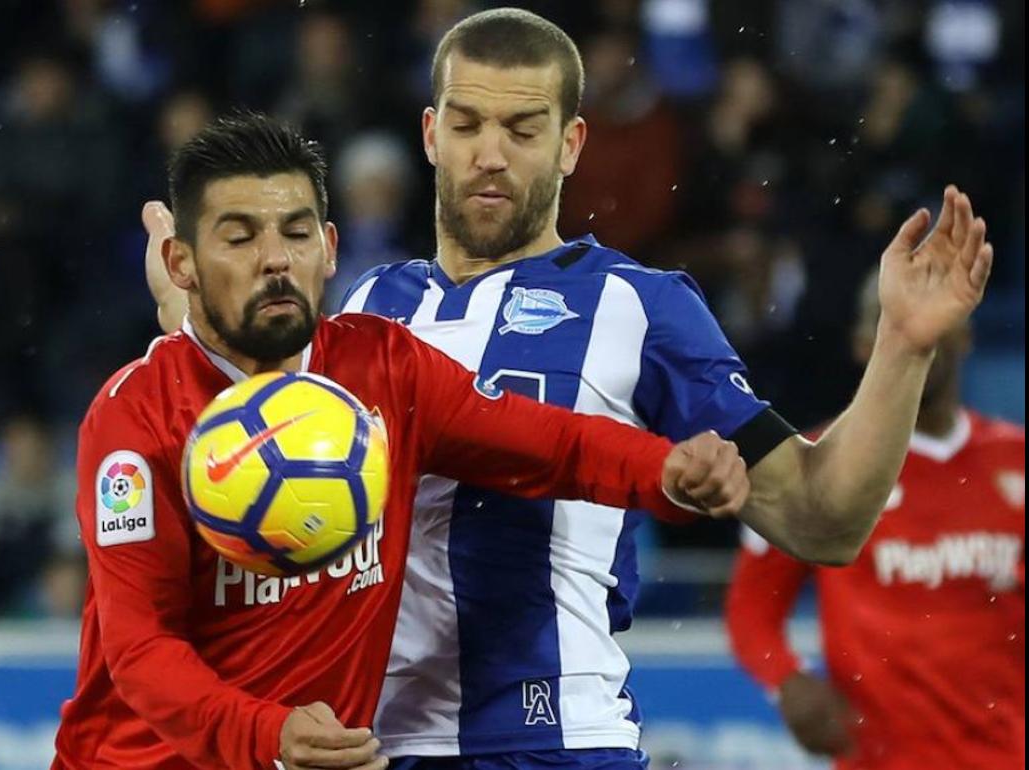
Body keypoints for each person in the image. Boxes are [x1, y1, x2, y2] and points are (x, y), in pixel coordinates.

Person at [144, 11, 993, 768]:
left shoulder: (640, 306)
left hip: (559, 742)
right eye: (469, 124)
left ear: (571, 144)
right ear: (431, 133)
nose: (490, 154)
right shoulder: (364, 305)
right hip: (374, 746)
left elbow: (822, 517)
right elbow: (239, 459)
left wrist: (903, 347)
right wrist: (182, 310)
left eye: (523, 128)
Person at [55, 112, 751, 770]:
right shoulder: (134, 423)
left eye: (296, 234)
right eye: (239, 238)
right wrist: (267, 734)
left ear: (329, 250)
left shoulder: (383, 367)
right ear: (181, 262)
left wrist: (666, 467)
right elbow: (141, 649)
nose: (275, 260)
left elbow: (546, 443)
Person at [725, 270, 1025, 770]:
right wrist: (788, 682)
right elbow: (752, 607)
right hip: (878, 759)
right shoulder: (814, 464)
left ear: (966, 334)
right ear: (866, 345)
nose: (919, 336)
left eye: (936, 321)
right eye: (896, 325)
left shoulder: (1016, 461)